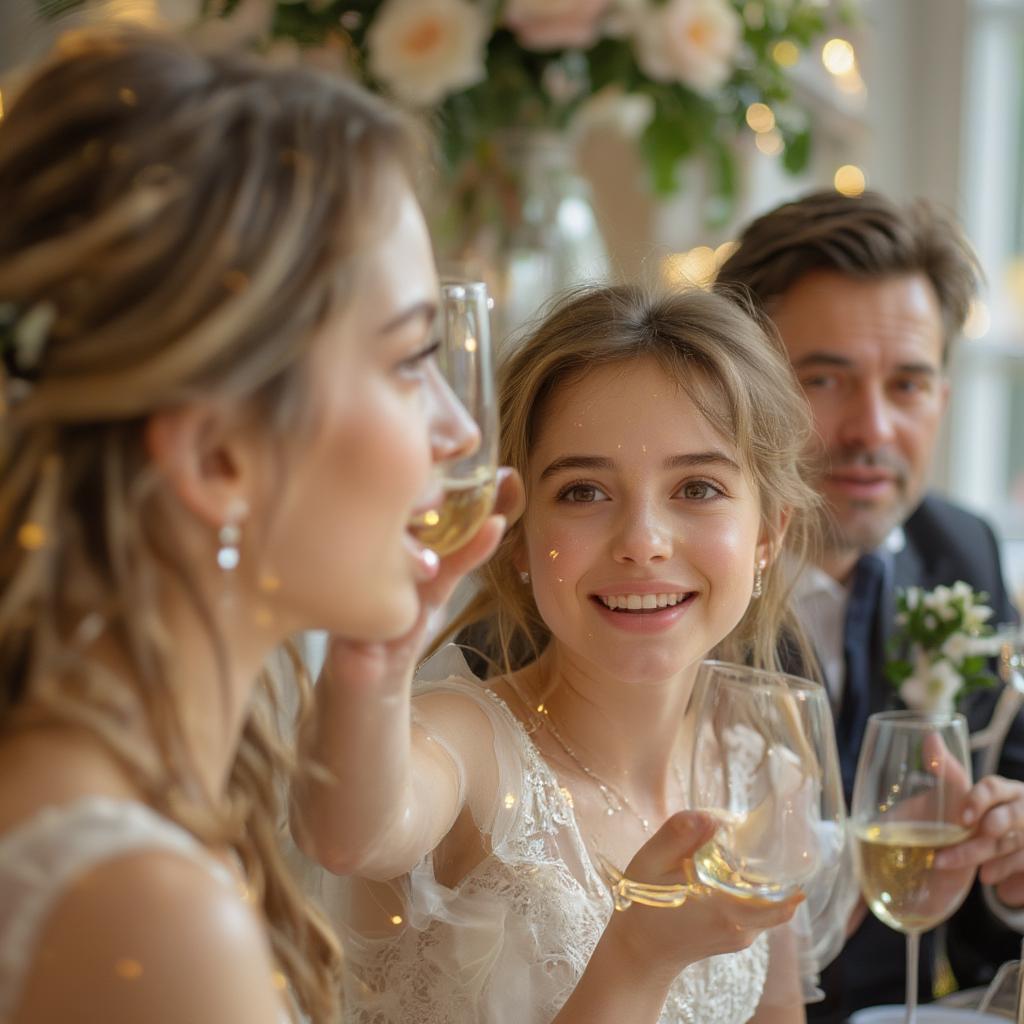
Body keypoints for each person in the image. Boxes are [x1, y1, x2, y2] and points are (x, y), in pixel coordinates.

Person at [0, 26, 512, 1024]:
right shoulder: (141, 912)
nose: (457, 429)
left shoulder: (99, 778)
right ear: (215, 458)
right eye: (412, 362)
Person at [292, 283, 835, 1024]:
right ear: (516, 538)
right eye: (584, 492)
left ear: (768, 533)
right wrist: (379, 637)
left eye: (698, 487)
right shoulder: (465, 745)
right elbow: (347, 833)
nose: (643, 540)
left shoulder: (760, 763)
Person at [717, 189, 1024, 1020]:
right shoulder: (660, 580)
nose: (872, 429)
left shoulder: (961, 552)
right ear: (740, 387)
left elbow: (989, 941)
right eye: (825, 378)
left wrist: (1012, 872)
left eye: (910, 383)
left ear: (944, 400)